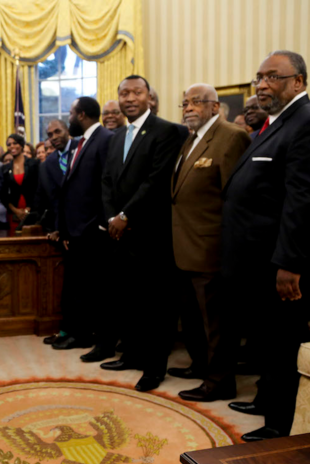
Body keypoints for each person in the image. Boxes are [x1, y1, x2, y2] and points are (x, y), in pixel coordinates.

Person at [188, 51, 310, 442]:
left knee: (280, 343)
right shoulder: (278, 123)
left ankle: (278, 424)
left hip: (277, 264)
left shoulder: (304, 123)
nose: (261, 85)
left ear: (299, 82)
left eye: (273, 77)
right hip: (253, 261)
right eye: (259, 77)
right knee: (264, 341)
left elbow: (301, 200)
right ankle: (264, 400)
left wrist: (289, 263)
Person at [99, 75, 187, 392]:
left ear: (149, 97)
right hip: (120, 234)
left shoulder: (167, 131)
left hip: (151, 233)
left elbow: (157, 180)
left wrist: (125, 215)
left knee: (155, 307)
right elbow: (107, 180)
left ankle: (154, 368)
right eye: (124, 93)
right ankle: (131, 355)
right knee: (129, 301)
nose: (130, 98)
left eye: (137, 92)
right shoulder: (117, 135)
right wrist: (112, 217)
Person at [163, 84, 250, 393]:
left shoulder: (230, 137)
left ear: (215, 106)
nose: (189, 107)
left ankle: (220, 381)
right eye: (185, 103)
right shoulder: (191, 140)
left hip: (212, 250)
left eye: (197, 102)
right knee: (194, 321)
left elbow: (236, 200)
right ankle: (201, 366)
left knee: (217, 323)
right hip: (184, 250)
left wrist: (230, 251)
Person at [56, 97, 115, 355]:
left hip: (94, 231)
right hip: (76, 230)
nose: (68, 118)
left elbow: (107, 185)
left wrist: (101, 225)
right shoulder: (80, 142)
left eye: (70, 114)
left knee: (99, 292)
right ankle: (79, 335)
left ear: (80, 115)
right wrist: (67, 228)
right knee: (80, 288)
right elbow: (70, 188)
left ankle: (101, 342)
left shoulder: (105, 138)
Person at [1, 134, 39, 234]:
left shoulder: (34, 164)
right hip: (13, 214)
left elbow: (38, 188)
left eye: (15, 143)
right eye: (9, 144)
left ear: (21, 145)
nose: (12, 146)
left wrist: (28, 209)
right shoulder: (5, 168)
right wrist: (16, 211)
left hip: (32, 211)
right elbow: (3, 194)